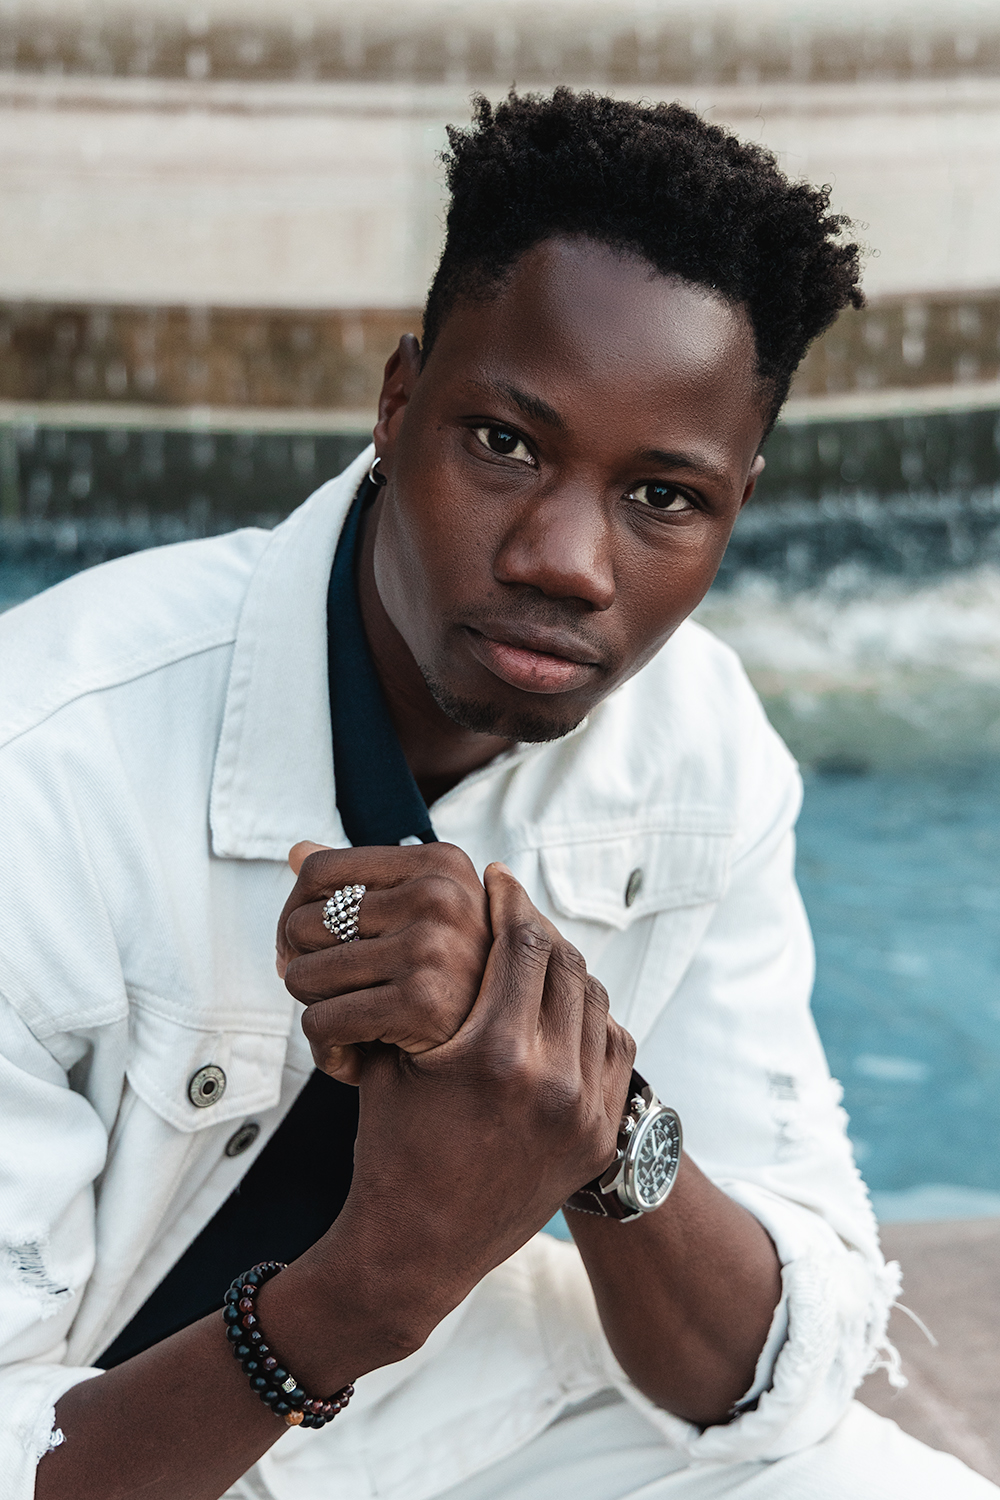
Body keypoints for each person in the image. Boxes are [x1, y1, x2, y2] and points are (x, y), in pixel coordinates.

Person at [0, 89, 994, 1500]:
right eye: (506, 445)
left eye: (664, 496)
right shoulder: (45, 763)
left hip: (435, 1431)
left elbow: (781, 1374)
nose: (566, 561)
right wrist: (370, 1290)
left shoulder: (697, 740)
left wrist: (591, 1117)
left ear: (739, 505)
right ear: (399, 402)